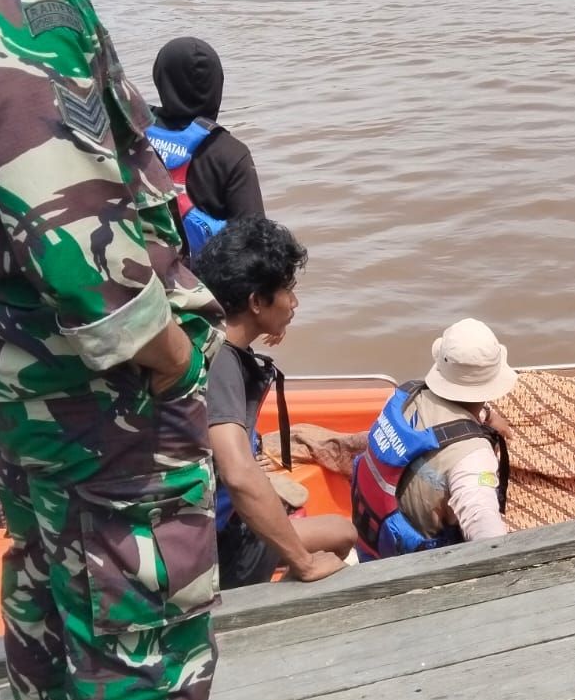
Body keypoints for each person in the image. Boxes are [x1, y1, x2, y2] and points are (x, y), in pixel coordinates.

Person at [0, 0, 225, 700]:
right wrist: (166, 349)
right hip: (101, 395)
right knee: (142, 647)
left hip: (20, 381)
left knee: (53, 598)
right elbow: (64, 211)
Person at [191, 217, 354, 588]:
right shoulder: (223, 366)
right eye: (287, 290)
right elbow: (237, 472)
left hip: (218, 524)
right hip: (219, 545)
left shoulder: (206, 336)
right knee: (341, 536)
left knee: (339, 532)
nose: (294, 302)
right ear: (256, 302)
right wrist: (304, 563)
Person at [351, 318, 515, 559]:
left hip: (368, 537)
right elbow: (490, 542)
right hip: (414, 564)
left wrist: (486, 414)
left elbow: (442, 415)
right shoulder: (474, 456)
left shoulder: (403, 397)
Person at [147, 36, 265, 258]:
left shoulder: (131, 132)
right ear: (217, 83)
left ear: (160, 78)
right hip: (201, 286)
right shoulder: (230, 154)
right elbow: (254, 243)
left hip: (139, 274)